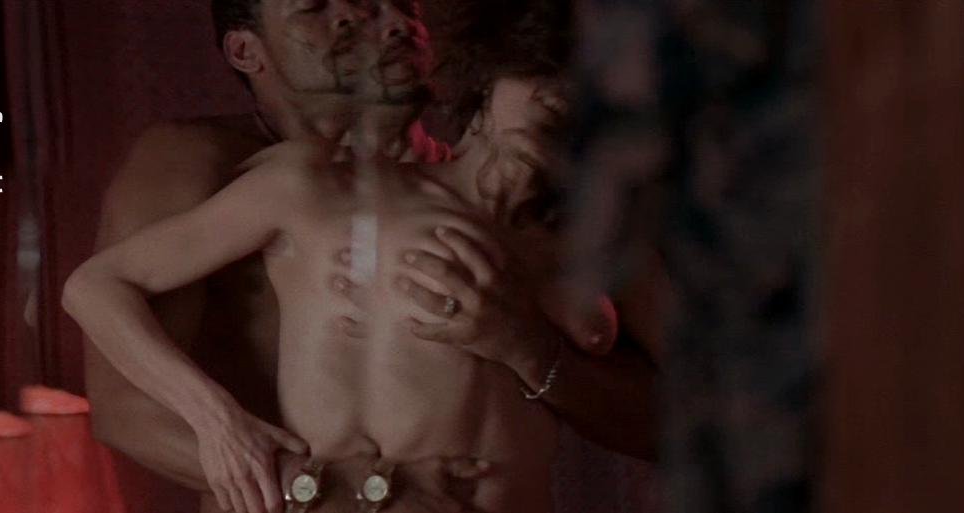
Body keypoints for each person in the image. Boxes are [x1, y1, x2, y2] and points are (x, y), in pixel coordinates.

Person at [80, 1, 659, 512]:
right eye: (316, 6)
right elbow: (121, 397)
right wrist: (345, 492)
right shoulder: (226, 167)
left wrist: (526, 346)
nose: (376, 19)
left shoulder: (582, 229)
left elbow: (674, 419)